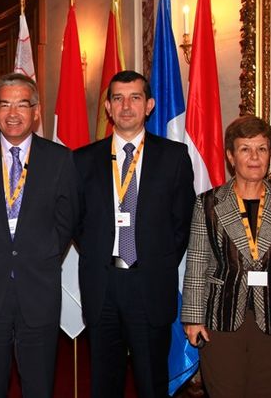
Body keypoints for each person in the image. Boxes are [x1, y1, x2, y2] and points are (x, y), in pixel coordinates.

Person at [0, 73, 78, 398]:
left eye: (22, 104)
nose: (13, 113)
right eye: (4, 104)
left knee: (39, 386)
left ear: (36, 111)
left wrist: (41, 251)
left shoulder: (59, 159)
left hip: (38, 287)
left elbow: (66, 221)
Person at [74, 70, 195, 397]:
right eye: (118, 98)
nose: (126, 106)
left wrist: (157, 260)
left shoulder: (174, 157)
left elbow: (182, 222)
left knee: (152, 382)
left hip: (150, 285)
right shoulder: (82, 160)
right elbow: (77, 222)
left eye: (135, 97)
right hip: (103, 285)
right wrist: (100, 253)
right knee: (104, 382)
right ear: (109, 109)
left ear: (150, 105)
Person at [181, 115, 271, 398]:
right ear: (231, 156)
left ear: (269, 155)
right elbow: (197, 264)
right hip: (222, 316)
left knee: (268, 389)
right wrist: (193, 318)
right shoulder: (208, 203)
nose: (254, 157)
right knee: (223, 390)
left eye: (262, 149)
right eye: (245, 149)